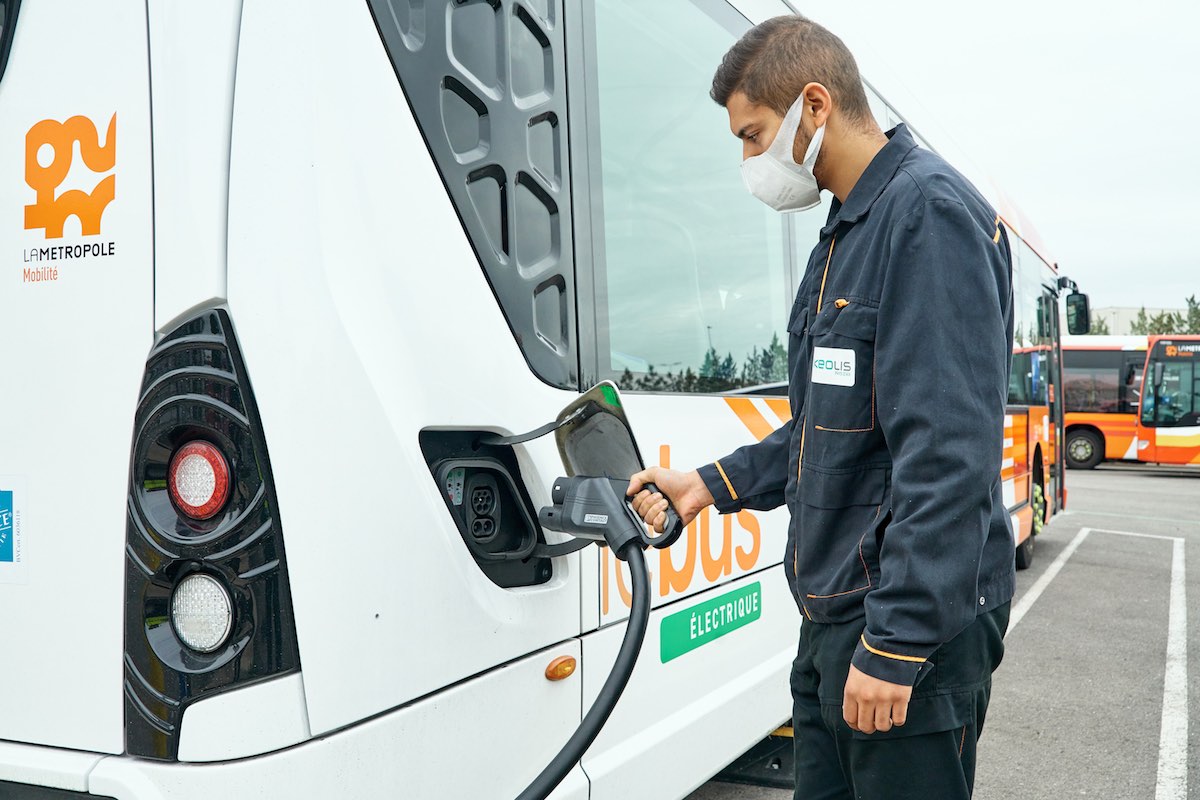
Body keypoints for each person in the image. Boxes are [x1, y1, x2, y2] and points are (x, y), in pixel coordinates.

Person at [627, 15, 1015, 800]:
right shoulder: (843, 234)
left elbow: (947, 454)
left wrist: (897, 645)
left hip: (907, 636)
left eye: (751, 134)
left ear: (813, 106)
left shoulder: (927, 214)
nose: (746, 159)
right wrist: (706, 484)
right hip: (836, 619)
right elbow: (822, 431)